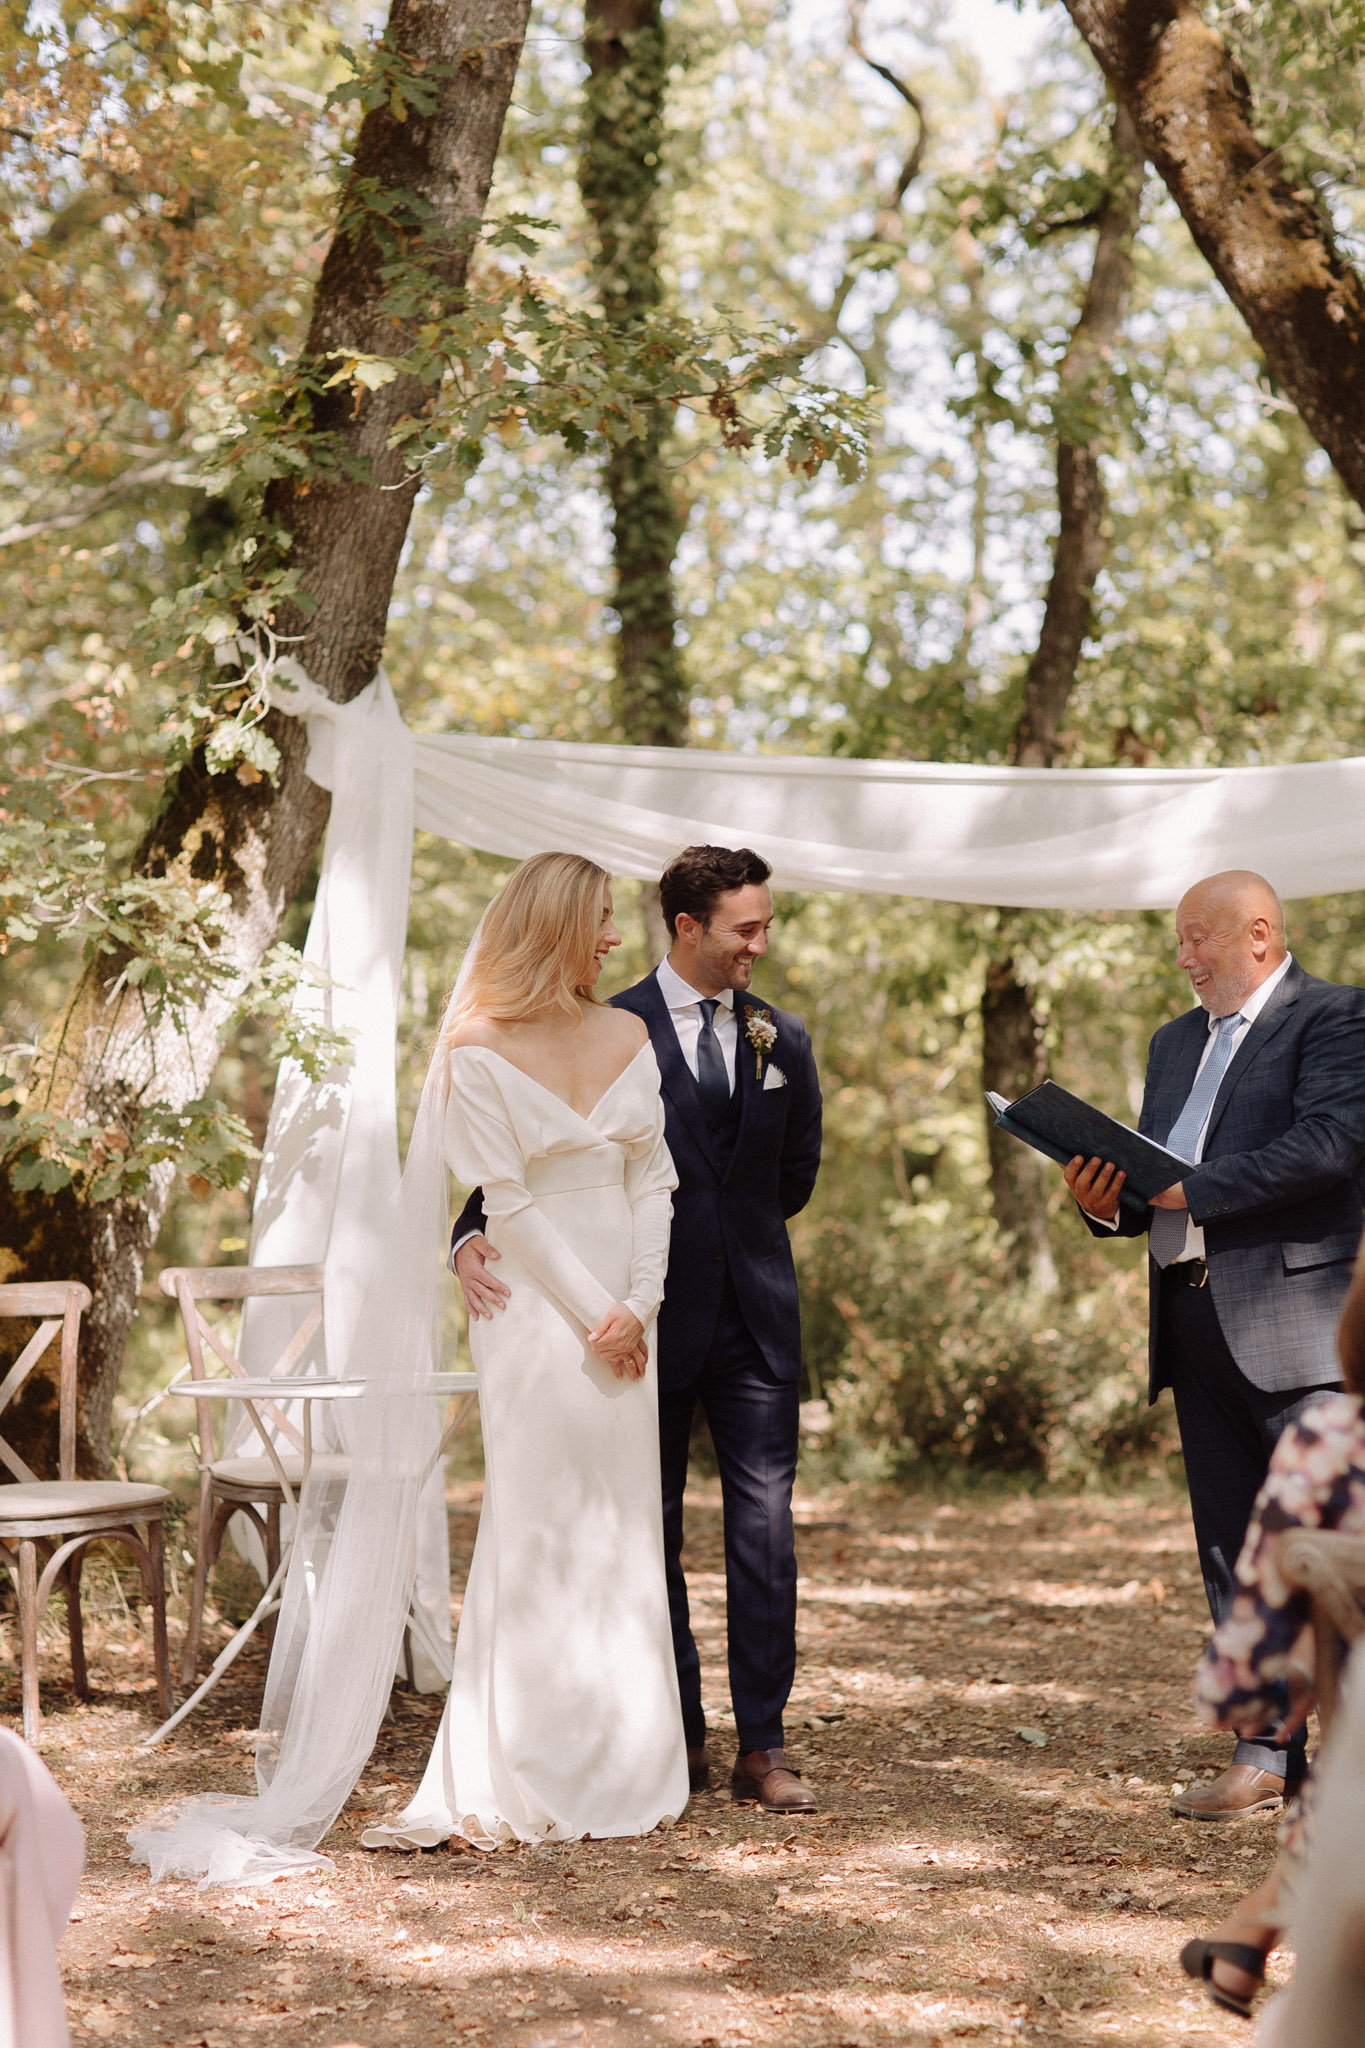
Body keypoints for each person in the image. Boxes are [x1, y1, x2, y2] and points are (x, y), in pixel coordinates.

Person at [453, 845, 823, 1812]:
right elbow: (516, 1171)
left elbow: (791, 1181)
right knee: (640, 1530)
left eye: (765, 924)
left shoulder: (781, 1040)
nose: (761, 944)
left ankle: (765, 1746)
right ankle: (674, 1734)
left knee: (763, 1534)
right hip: (632, 1327)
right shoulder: (604, 1021)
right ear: (687, 927)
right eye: (746, 927)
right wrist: (464, 1243)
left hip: (747, 1319)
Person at [363, 851, 688, 1849]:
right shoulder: (474, 1047)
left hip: (630, 1308)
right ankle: (528, 1757)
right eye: (600, 917)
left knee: (624, 1525)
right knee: (539, 1517)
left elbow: (654, 1180)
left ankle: (628, 1756)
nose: (616, 938)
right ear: (556, 923)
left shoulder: (632, 1030)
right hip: (536, 1310)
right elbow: (506, 1201)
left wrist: (642, 1299)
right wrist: (600, 1311)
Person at [1064, 870, 1365, 1818]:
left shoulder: (1334, 1019)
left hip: (1298, 1324)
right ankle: (1266, 1760)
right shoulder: (1168, 1043)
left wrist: (1189, 1190)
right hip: (1188, 1319)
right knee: (1232, 1551)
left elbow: (1327, 1147)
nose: (1184, 959)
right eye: (1180, 942)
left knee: (1325, 1552)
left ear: (1261, 936)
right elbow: (1147, 1177)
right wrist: (1100, 1203)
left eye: (1200, 940)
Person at [1179, 1232, 1365, 2019]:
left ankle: (1250, 1933)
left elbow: (1244, 1684)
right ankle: (1248, 1930)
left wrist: (1279, 1694)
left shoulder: (1329, 1445)